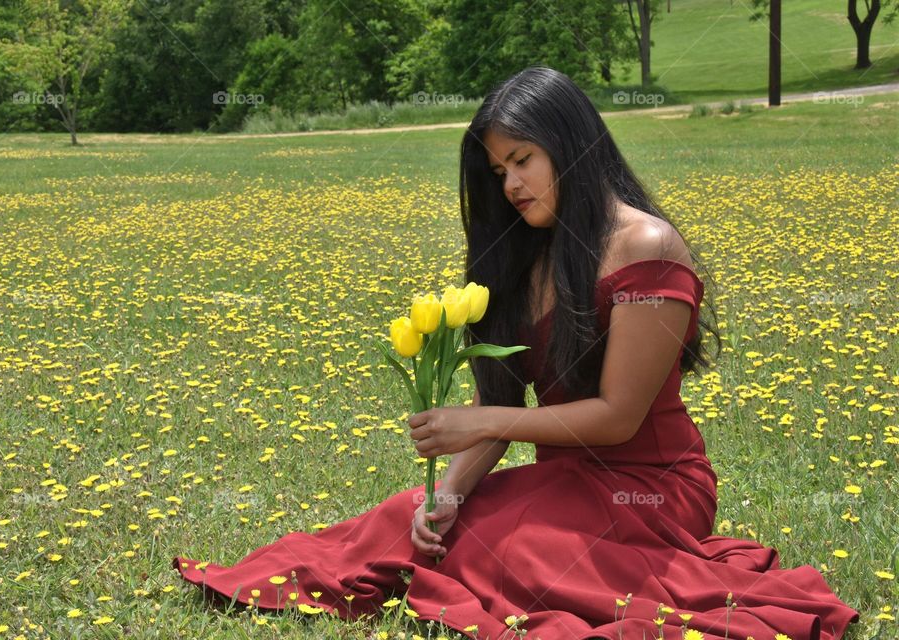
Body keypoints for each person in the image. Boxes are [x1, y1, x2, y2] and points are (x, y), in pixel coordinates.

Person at [173, 66, 860, 640]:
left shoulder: (646, 246)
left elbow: (619, 418)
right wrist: (444, 495)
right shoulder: (523, 257)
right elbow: (497, 405)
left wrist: (484, 423)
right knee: (415, 518)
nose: (510, 185)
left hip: (650, 487)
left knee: (506, 546)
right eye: (499, 169)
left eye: (524, 160)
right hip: (564, 485)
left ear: (571, 144)